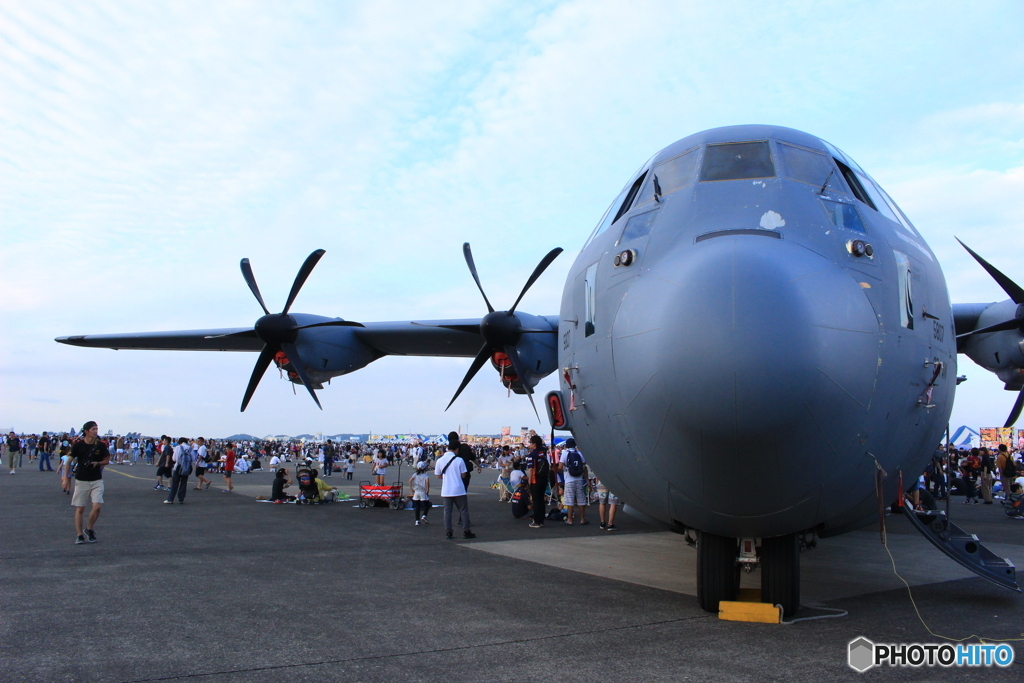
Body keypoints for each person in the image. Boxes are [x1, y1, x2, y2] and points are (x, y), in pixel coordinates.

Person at [64, 421, 110, 544]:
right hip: (82, 479)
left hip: (96, 479)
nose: (96, 431)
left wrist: (98, 463)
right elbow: (68, 462)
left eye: (97, 429)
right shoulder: (78, 446)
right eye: (93, 429)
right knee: (80, 509)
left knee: (97, 506)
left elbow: (106, 460)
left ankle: (89, 529)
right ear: (86, 431)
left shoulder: (100, 445)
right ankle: (79, 534)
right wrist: (65, 478)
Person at [435, 439, 474, 539]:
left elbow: (438, 475)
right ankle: (466, 530)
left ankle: (448, 531)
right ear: (457, 449)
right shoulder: (459, 460)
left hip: (446, 490)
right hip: (459, 489)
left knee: (447, 511)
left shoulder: (440, 460)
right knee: (463, 510)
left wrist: (447, 477)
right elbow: (464, 475)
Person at [557, 438, 589, 525]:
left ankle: (570, 519)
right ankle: (583, 519)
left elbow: (560, 467)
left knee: (569, 501)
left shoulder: (565, 453)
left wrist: (555, 469)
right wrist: (587, 479)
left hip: (569, 479)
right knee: (581, 500)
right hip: (579, 479)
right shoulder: (579, 453)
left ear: (566, 445)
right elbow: (584, 467)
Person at [525, 434, 549, 529]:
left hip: (535, 480)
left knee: (536, 501)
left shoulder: (532, 455)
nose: (529, 444)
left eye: (530, 442)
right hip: (543, 479)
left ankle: (537, 521)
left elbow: (530, 470)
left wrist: (530, 482)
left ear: (534, 444)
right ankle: (541, 520)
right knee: (541, 500)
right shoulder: (542, 452)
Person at [164, 437, 194, 504]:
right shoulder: (190, 448)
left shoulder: (178, 447)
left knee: (175, 483)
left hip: (178, 466)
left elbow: (174, 458)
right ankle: (181, 499)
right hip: (187, 467)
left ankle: (170, 499)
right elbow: (193, 458)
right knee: (183, 483)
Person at [409, 461, 431, 525]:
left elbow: (410, 480)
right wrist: (427, 489)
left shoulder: (415, 474)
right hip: (423, 491)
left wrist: (411, 489)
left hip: (416, 491)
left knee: (417, 506)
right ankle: (424, 515)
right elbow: (427, 482)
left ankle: (417, 520)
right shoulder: (425, 475)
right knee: (427, 504)